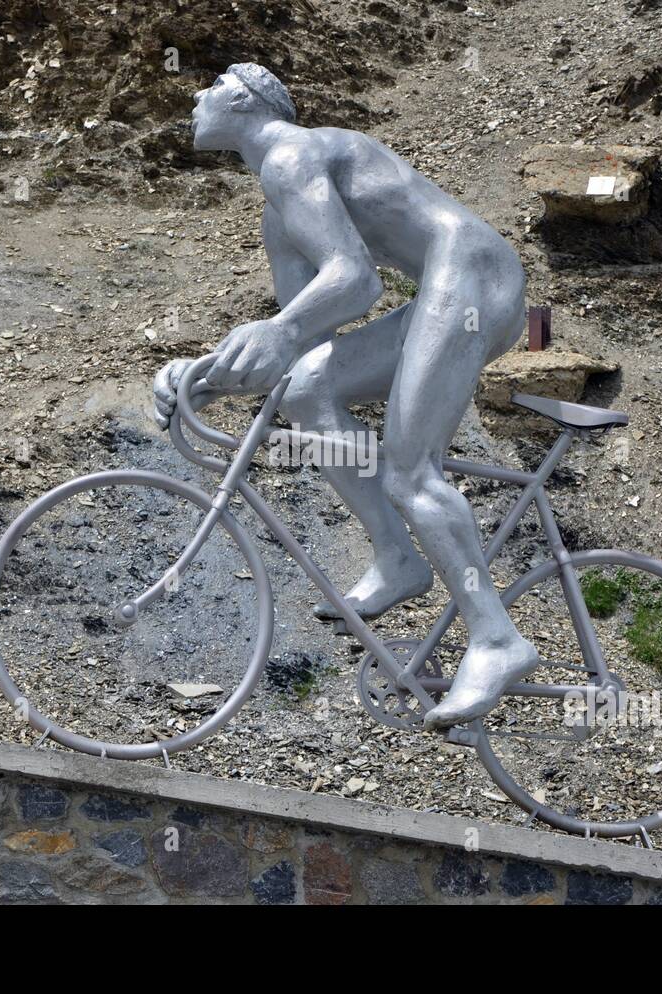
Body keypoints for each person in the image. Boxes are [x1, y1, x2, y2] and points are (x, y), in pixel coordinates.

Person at [152, 64, 536, 729]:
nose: (194, 95)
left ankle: (498, 639)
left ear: (243, 98)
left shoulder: (292, 152)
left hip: (473, 271)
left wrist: (277, 330)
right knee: (307, 390)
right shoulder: (279, 209)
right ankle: (395, 553)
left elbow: (356, 282)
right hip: (445, 287)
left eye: (210, 84)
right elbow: (295, 347)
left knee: (412, 470)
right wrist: (206, 376)